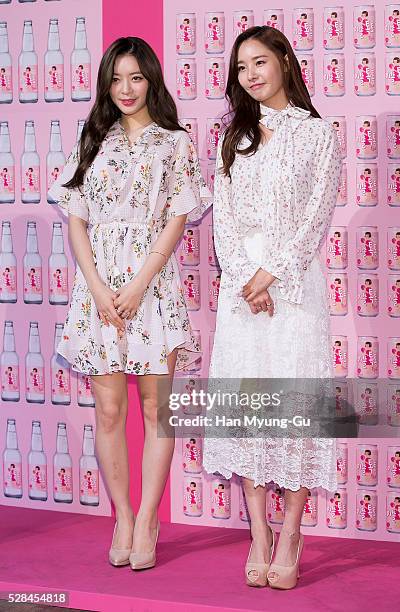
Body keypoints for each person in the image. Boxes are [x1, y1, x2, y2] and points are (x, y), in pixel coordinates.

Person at [49, 37, 211, 570]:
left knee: (155, 411)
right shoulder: (93, 138)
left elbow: (177, 218)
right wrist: (96, 287)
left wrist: (140, 283)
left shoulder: (175, 143)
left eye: (136, 78)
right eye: (116, 79)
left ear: (151, 81)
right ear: (106, 83)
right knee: (110, 410)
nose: (125, 89)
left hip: (153, 286)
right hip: (98, 291)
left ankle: (147, 520)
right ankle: (122, 514)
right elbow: (76, 217)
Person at [202, 26, 341, 590]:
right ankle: (258, 534)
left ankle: (290, 535)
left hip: (295, 290)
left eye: (260, 62)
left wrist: (270, 275)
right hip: (242, 297)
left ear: (285, 60)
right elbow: (226, 219)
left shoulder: (318, 134)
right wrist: (244, 278)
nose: (251, 75)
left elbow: (315, 215)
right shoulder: (232, 139)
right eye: (241, 67)